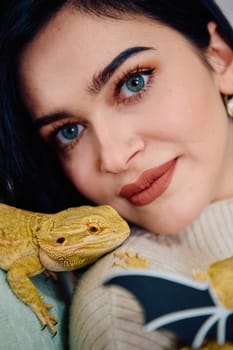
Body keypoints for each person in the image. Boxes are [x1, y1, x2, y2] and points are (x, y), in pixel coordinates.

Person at [0, 0, 233, 349]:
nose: (114, 158)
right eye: (69, 131)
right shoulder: (121, 311)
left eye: (133, 82)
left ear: (220, 57)